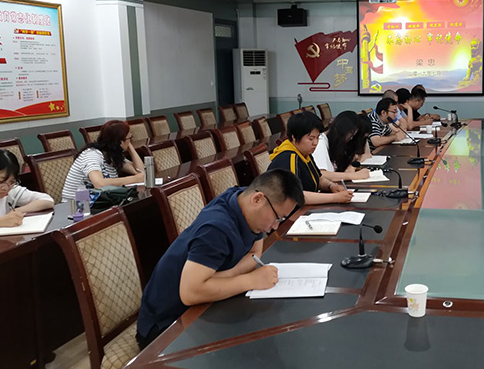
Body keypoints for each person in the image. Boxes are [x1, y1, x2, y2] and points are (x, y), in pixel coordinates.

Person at [136, 169, 305, 350]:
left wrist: (222, 277)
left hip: (204, 305)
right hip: (167, 325)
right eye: (277, 217)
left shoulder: (243, 201)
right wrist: (250, 280)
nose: (276, 226)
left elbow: (254, 254)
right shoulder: (215, 229)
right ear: (257, 199)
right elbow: (190, 293)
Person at [268, 111, 353, 205]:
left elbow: (318, 179)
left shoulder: (305, 153)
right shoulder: (288, 158)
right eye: (311, 139)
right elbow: (295, 196)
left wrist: (331, 186)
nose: (315, 143)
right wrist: (335, 198)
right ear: (294, 137)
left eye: (317, 138)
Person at [62, 120, 145, 201]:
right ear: (120, 142)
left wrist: (129, 146)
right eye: (130, 138)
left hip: (98, 200)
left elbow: (140, 172)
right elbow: (99, 184)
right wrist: (135, 179)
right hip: (77, 204)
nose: (131, 140)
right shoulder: (92, 154)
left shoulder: (113, 155)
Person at [0, 150, 54, 231]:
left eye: (12, 182)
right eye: (1, 182)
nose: (6, 188)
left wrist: (16, 211)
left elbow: (47, 200)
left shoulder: (11, 190)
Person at [312, 111, 372, 181]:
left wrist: (351, 167)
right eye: (350, 134)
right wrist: (354, 176)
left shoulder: (335, 143)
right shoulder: (320, 142)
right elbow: (321, 174)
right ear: (342, 130)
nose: (351, 138)